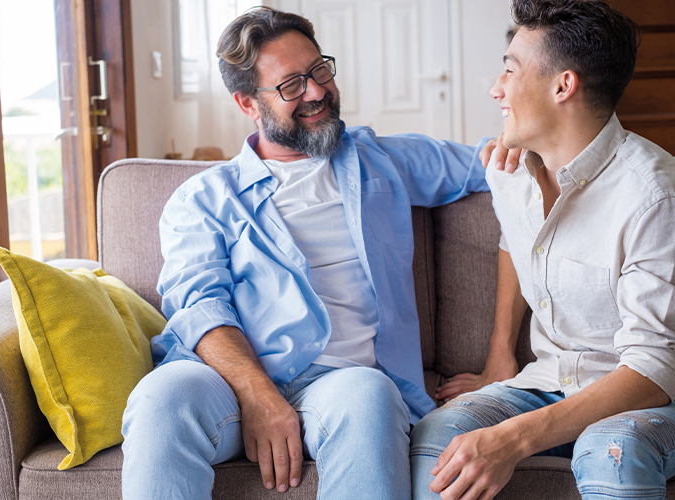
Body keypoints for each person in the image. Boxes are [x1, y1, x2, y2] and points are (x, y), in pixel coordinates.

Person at [120, 7, 515, 499]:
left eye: (319, 71)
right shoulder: (203, 198)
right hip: (224, 383)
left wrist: (536, 136)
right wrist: (259, 395)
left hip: (344, 383)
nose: (315, 91)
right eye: (290, 85)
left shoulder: (380, 159)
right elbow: (199, 305)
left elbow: (494, 162)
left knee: (370, 395)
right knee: (161, 397)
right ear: (248, 103)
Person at [410, 1, 675, 499]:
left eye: (510, 70)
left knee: (613, 447)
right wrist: (498, 359)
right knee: (437, 438)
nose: (496, 88)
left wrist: (513, 439)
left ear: (563, 86)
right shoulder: (509, 170)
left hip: (649, 397)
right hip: (546, 379)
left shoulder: (654, 195)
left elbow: (653, 369)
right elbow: (517, 241)